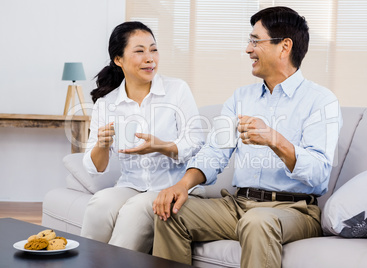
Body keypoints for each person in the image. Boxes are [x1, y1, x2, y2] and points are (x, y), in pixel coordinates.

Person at [152, 6, 343, 268]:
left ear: (284, 46)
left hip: (294, 210)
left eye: (255, 41)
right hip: (239, 204)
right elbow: (214, 152)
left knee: (258, 221)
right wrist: (182, 185)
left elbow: (319, 175)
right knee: (171, 213)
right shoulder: (241, 97)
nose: (248, 49)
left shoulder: (321, 101)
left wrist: (275, 140)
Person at [80, 21, 205, 254]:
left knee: (136, 209)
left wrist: (162, 146)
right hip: (132, 185)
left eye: (153, 49)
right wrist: (102, 145)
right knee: (99, 204)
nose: (150, 58)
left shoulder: (177, 90)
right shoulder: (106, 104)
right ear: (119, 59)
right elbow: (94, 166)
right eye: (139, 51)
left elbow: (196, 142)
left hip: (172, 186)